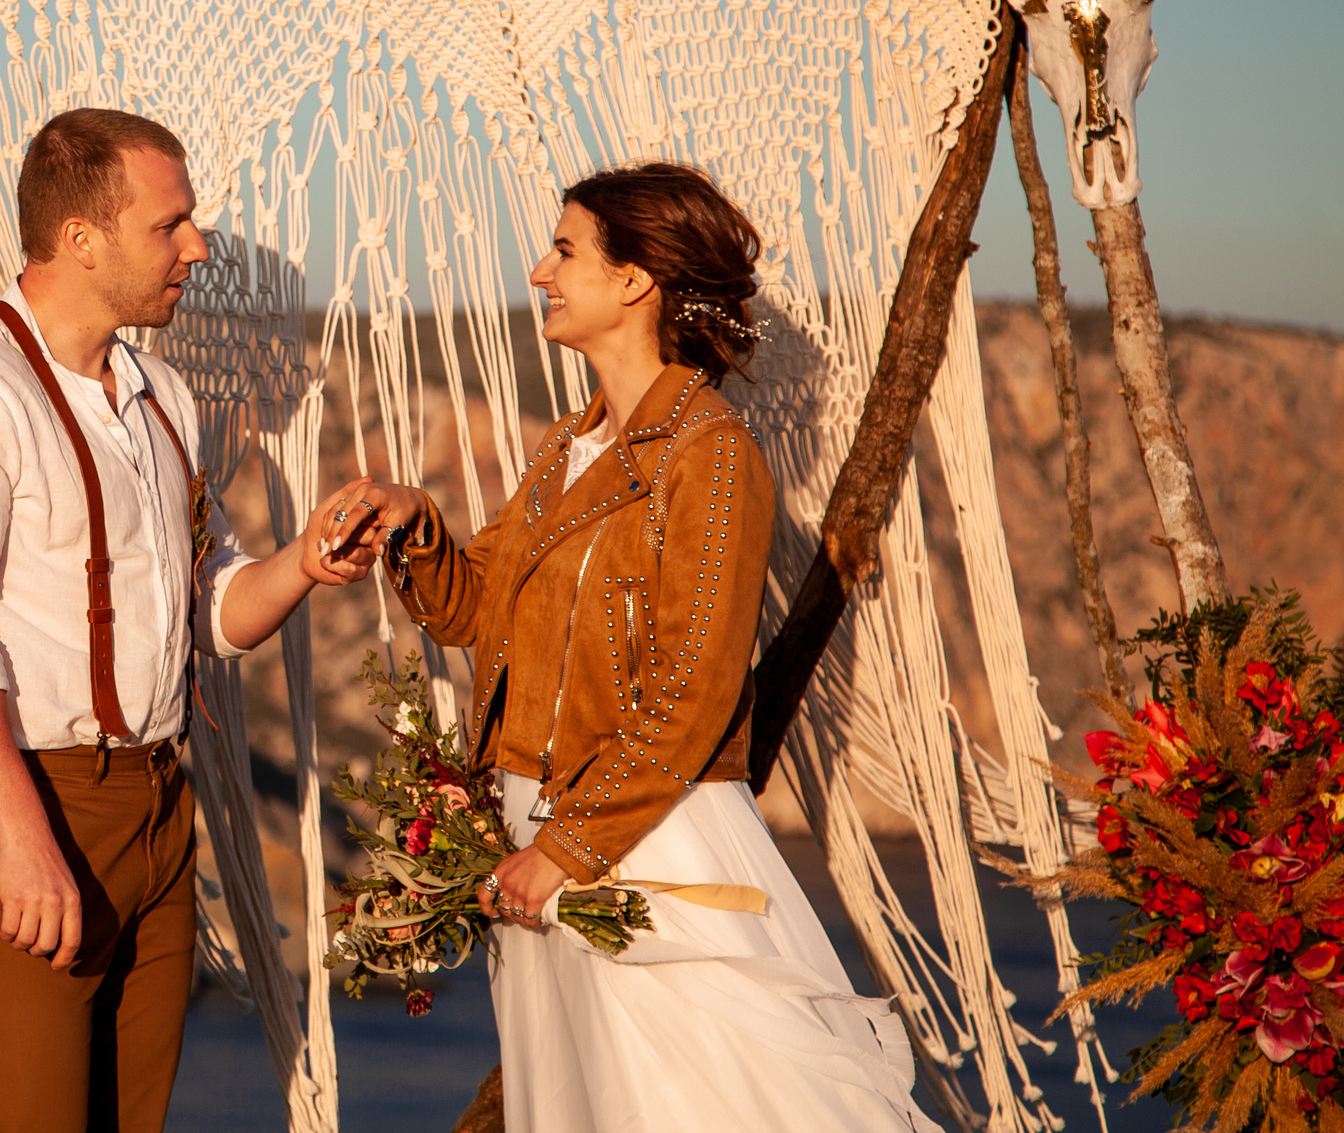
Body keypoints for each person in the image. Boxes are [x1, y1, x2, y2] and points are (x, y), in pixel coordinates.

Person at [347, 161, 938, 1131]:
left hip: (643, 838)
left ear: (633, 280)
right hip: (541, 835)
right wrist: (412, 523)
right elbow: (474, 611)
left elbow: (695, 685)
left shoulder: (710, 454)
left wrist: (566, 849)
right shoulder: (566, 448)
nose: (540, 271)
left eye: (565, 250)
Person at [0, 109, 389, 1133]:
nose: (197, 247)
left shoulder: (160, 396)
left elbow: (208, 610)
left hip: (155, 807)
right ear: (80, 239)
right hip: (23, 801)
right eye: (170, 225)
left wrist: (303, 561)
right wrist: (23, 836)